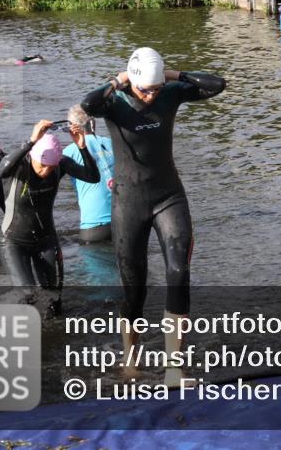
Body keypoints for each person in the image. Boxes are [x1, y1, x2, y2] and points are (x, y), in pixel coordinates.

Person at [81, 47, 225, 385]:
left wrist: (171, 76)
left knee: (179, 271)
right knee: (135, 289)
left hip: (168, 196)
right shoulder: (113, 103)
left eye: (156, 89)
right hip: (128, 203)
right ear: (131, 81)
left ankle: (174, 368)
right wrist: (118, 81)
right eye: (145, 90)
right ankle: (130, 361)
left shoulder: (169, 94)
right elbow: (88, 104)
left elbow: (217, 85)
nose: (151, 96)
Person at [0, 120, 99, 312]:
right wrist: (31, 141)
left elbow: (93, 177)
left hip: (46, 240)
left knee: (54, 301)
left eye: (51, 167)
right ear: (32, 155)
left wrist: (82, 147)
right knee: (28, 297)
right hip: (14, 242)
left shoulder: (60, 164)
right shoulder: (19, 165)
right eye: (42, 165)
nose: (46, 171)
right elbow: (0, 171)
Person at [62, 105, 114, 244]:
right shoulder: (111, 143)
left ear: (72, 127)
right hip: (124, 221)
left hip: (94, 227)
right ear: (93, 123)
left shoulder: (69, 152)